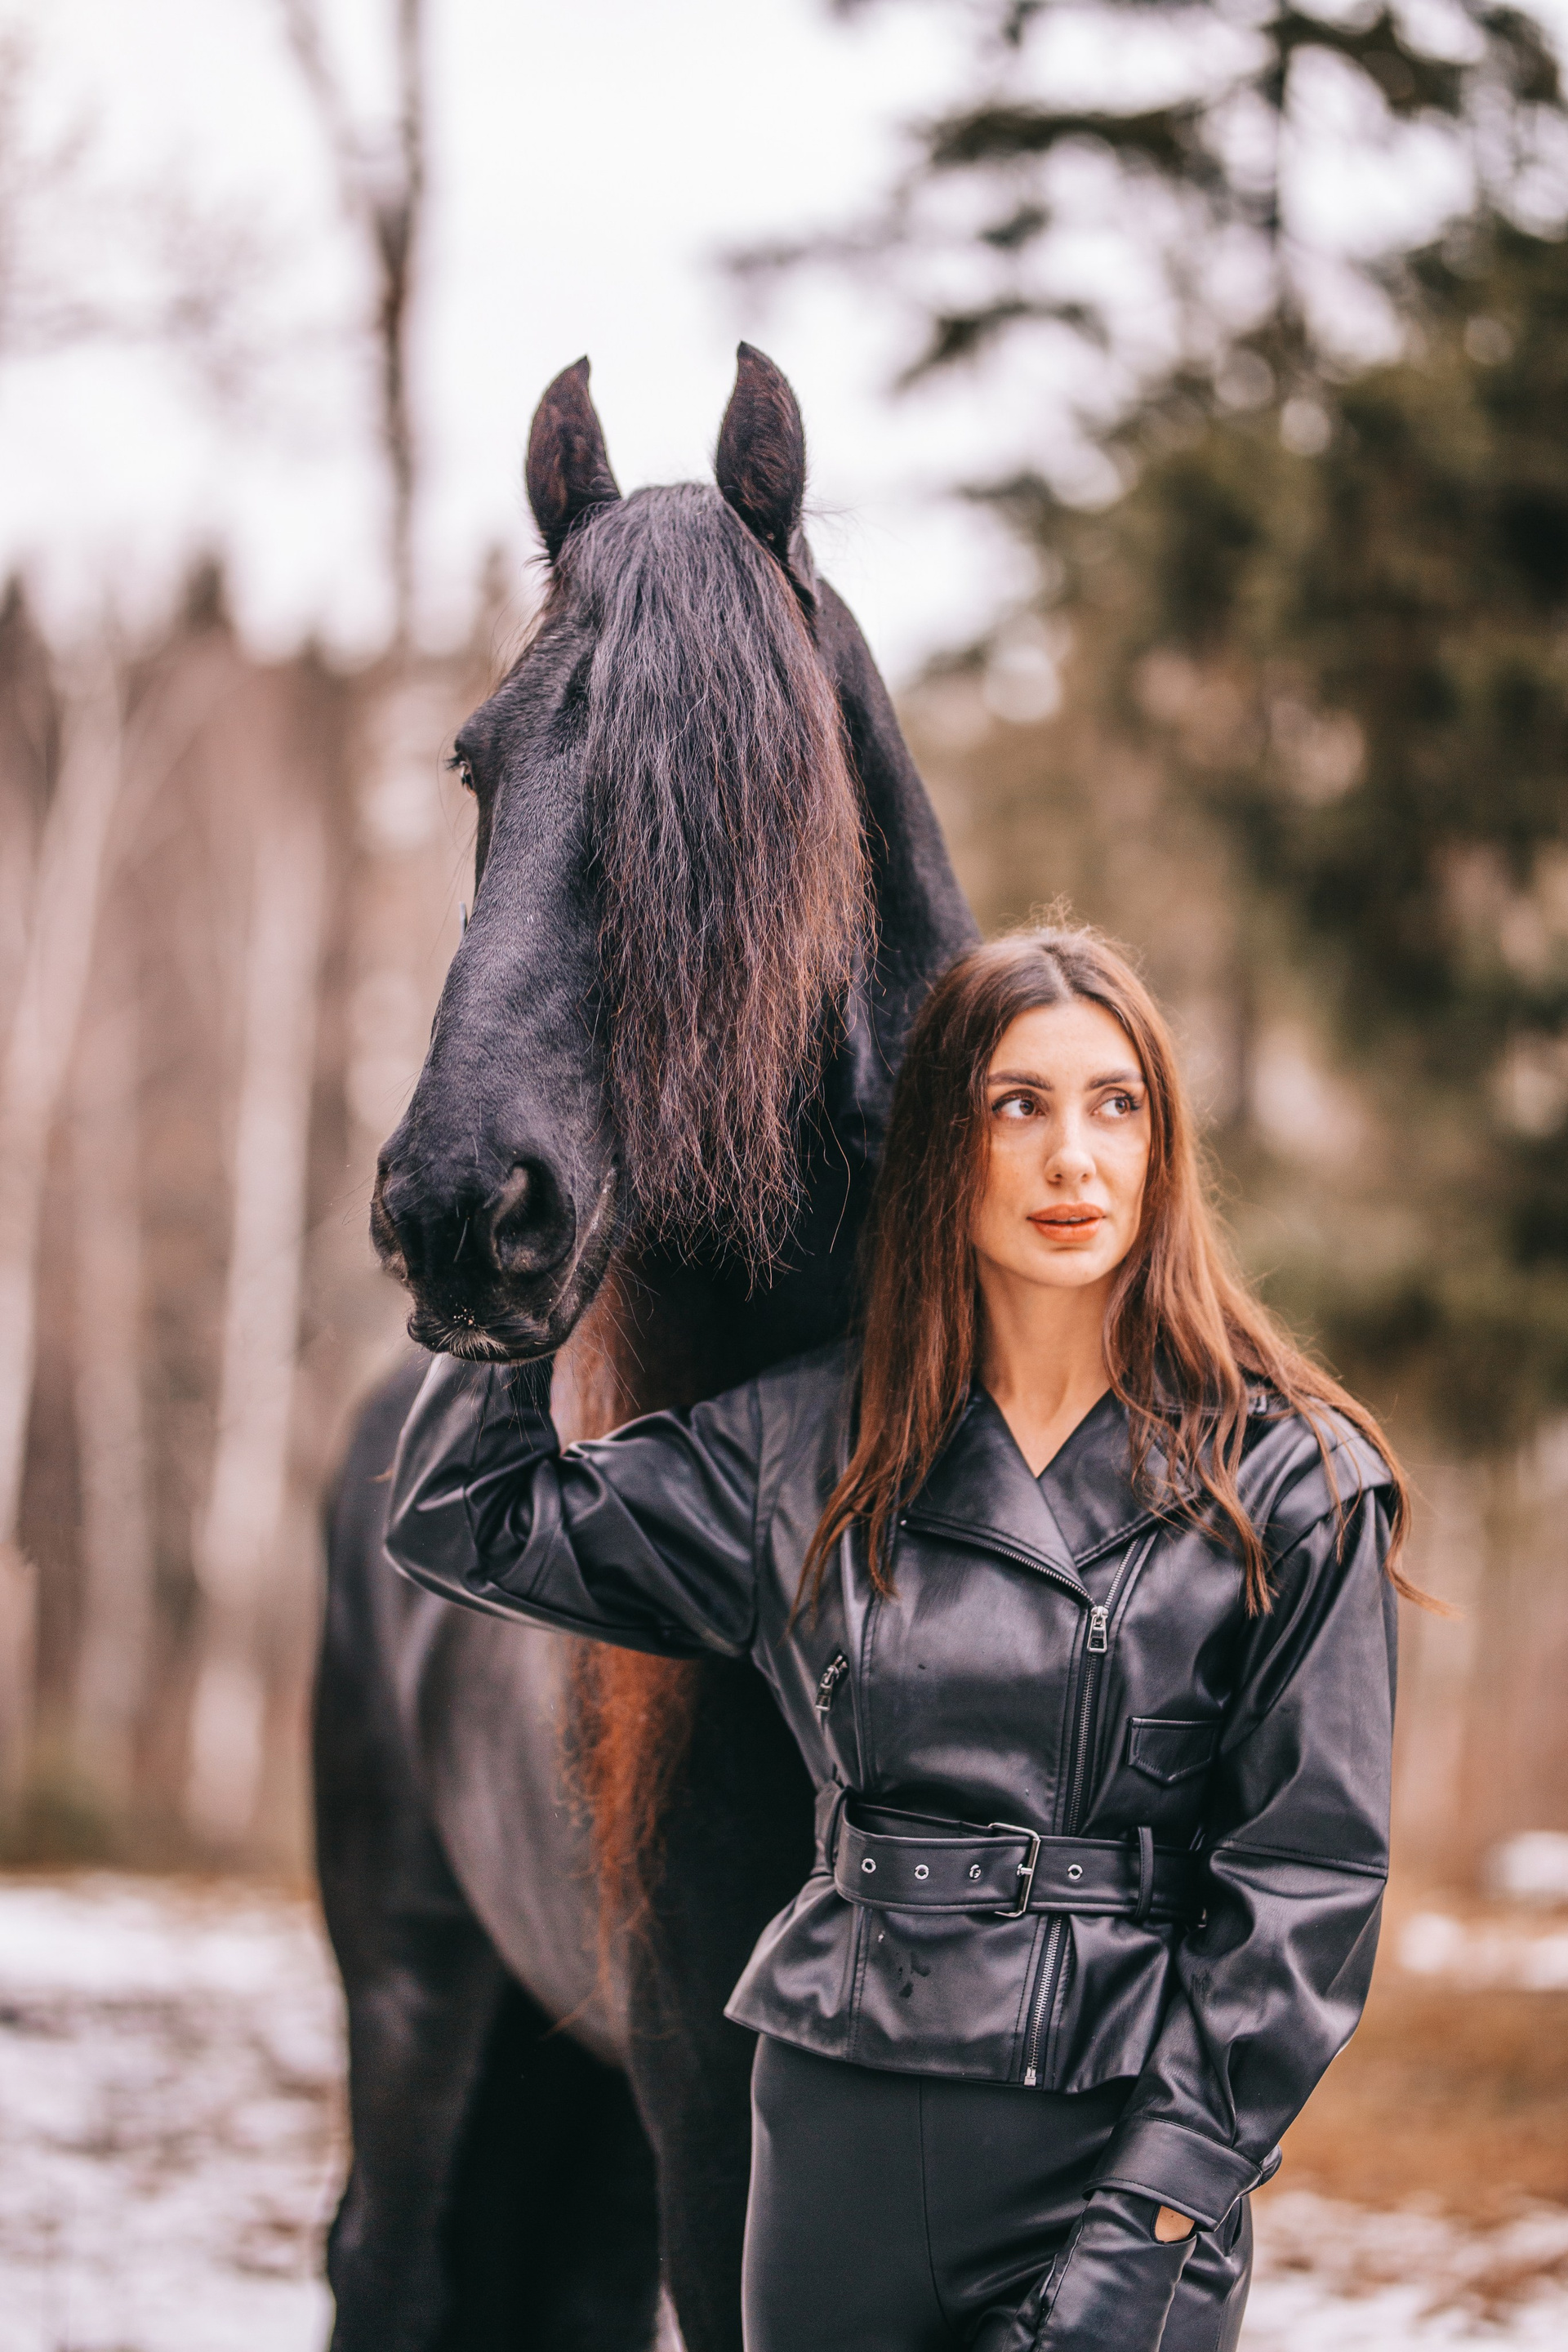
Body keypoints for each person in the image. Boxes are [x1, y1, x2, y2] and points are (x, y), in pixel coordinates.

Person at [385, 924, 1417, 2352]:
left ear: (1163, 1149)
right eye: (1018, 1105)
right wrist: (530, 1245)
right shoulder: (802, 1445)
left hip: (1119, 2168)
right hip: (835, 2153)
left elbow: (1306, 1887)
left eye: (1116, 1105)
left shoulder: (1292, 1484)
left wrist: (1163, 2217)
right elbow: (469, 1520)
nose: (1073, 1159)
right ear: (942, 1146)